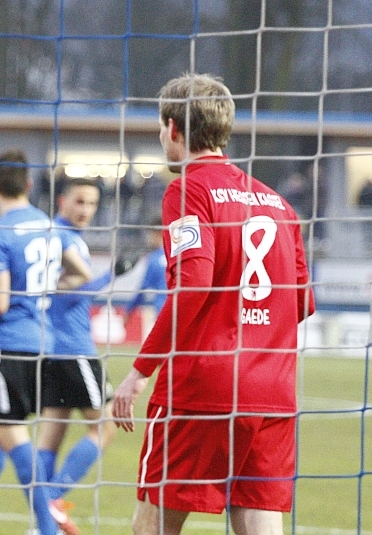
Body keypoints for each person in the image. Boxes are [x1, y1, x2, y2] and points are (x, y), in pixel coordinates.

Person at [112, 73, 315, 535]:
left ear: (173, 129)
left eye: (161, 127)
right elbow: (300, 302)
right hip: (273, 395)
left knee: (155, 519)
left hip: (203, 389)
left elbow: (193, 284)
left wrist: (139, 372)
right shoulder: (280, 205)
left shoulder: (187, 191)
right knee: (258, 518)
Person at [0, 149, 91, 535]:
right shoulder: (47, 224)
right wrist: (47, 289)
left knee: (11, 434)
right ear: (29, 184)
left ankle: (48, 527)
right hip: (42, 344)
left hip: (9, 344)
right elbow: (82, 272)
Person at [36, 177, 116, 523]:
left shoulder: (54, 236)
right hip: (73, 348)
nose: (86, 210)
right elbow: (67, 294)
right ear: (62, 202)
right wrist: (112, 275)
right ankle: (52, 499)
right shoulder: (63, 238)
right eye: (80, 202)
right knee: (105, 427)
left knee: (51, 434)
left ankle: (40, 522)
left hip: (51, 347)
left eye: (93, 204)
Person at [124, 213, 167, 339]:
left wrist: (128, 312)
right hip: (181, 312)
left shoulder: (154, 259)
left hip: (161, 313)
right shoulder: (178, 256)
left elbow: (143, 289)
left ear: (156, 234)